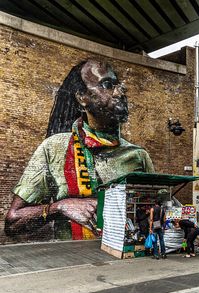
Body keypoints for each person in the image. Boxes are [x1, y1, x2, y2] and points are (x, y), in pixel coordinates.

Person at [5, 59, 154, 241]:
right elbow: (12, 223)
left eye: (118, 85)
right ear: (82, 98)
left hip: (126, 261)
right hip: (74, 261)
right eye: (106, 85)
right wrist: (61, 207)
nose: (119, 92)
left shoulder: (138, 155)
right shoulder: (54, 148)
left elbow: (156, 211)